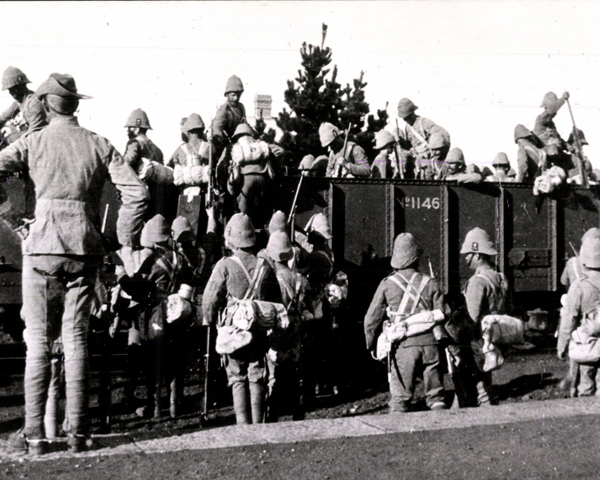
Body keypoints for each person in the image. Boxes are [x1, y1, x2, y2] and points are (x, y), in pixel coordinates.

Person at [0, 73, 148, 454]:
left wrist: (11, 216)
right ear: (75, 105)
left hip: (42, 249)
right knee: (77, 341)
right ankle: (78, 434)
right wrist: (119, 236)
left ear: (46, 105)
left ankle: (34, 437)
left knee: (38, 346)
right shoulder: (99, 144)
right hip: (85, 249)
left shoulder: (32, 141)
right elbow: (137, 192)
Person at [202, 213, 282, 424]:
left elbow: (210, 300)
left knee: (237, 376)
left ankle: (242, 427)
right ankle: (257, 426)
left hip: (233, 331)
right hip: (258, 328)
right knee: (257, 375)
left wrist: (208, 320)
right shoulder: (265, 265)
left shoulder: (224, 265)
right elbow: (276, 300)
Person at [364, 233, 448, 412]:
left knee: (400, 399)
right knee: (436, 397)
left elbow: (371, 320)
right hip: (431, 345)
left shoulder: (387, 284)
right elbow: (444, 312)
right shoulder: (431, 282)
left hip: (404, 347)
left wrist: (371, 344)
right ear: (416, 258)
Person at [457, 227, 510, 407]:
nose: (465, 258)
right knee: (485, 378)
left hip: (477, 340)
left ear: (478, 255)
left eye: (468, 255)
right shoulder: (499, 277)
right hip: (493, 336)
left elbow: (471, 317)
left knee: (476, 383)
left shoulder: (477, 282)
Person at [260, 231, 306, 421]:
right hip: (295, 331)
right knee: (294, 374)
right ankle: (297, 412)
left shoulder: (269, 279)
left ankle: (271, 416)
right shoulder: (300, 280)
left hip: (275, 333)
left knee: (272, 375)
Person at [557, 236, 600, 397]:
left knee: (586, 386)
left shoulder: (579, 287)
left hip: (587, 345)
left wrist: (562, 346)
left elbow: (568, 321)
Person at [220, 123, 275, 231]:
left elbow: (221, 165)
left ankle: (243, 237)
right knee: (262, 209)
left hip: (245, 179)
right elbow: (280, 151)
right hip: (263, 177)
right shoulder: (259, 145)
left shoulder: (234, 147)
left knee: (243, 214)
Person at [123, 108, 171, 220]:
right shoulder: (157, 150)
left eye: (130, 127)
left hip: (139, 194)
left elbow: (126, 164)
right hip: (158, 197)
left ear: (137, 128)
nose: (127, 130)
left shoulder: (134, 143)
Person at [397, 98, 450, 179]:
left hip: (431, 162)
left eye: (406, 117)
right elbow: (410, 146)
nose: (405, 119)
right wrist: (401, 141)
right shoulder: (408, 127)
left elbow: (444, 134)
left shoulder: (424, 122)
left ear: (412, 113)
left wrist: (439, 155)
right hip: (419, 164)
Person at [0, 67, 47, 145]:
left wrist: (9, 139)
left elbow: (34, 134)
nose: (11, 93)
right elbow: (4, 117)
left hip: (41, 141)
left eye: (13, 89)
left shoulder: (33, 103)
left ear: (21, 86)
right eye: (10, 90)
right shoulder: (21, 101)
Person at [212, 75, 247, 155]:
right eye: (233, 95)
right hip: (227, 146)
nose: (236, 98)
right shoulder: (224, 110)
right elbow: (217, 130)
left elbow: (245, 125)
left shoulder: (241, 107)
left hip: (240, 143)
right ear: (227, 95)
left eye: (239, 95)